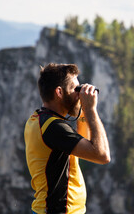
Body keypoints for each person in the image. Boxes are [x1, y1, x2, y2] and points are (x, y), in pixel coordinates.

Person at [24, 63, 111, 214]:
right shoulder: (54, 128)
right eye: (75, 89)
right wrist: (91, 110)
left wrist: (82, 111)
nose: (78, 94)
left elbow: (82, 146)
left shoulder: (39, 119)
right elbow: (102, 155)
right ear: (59, 92)